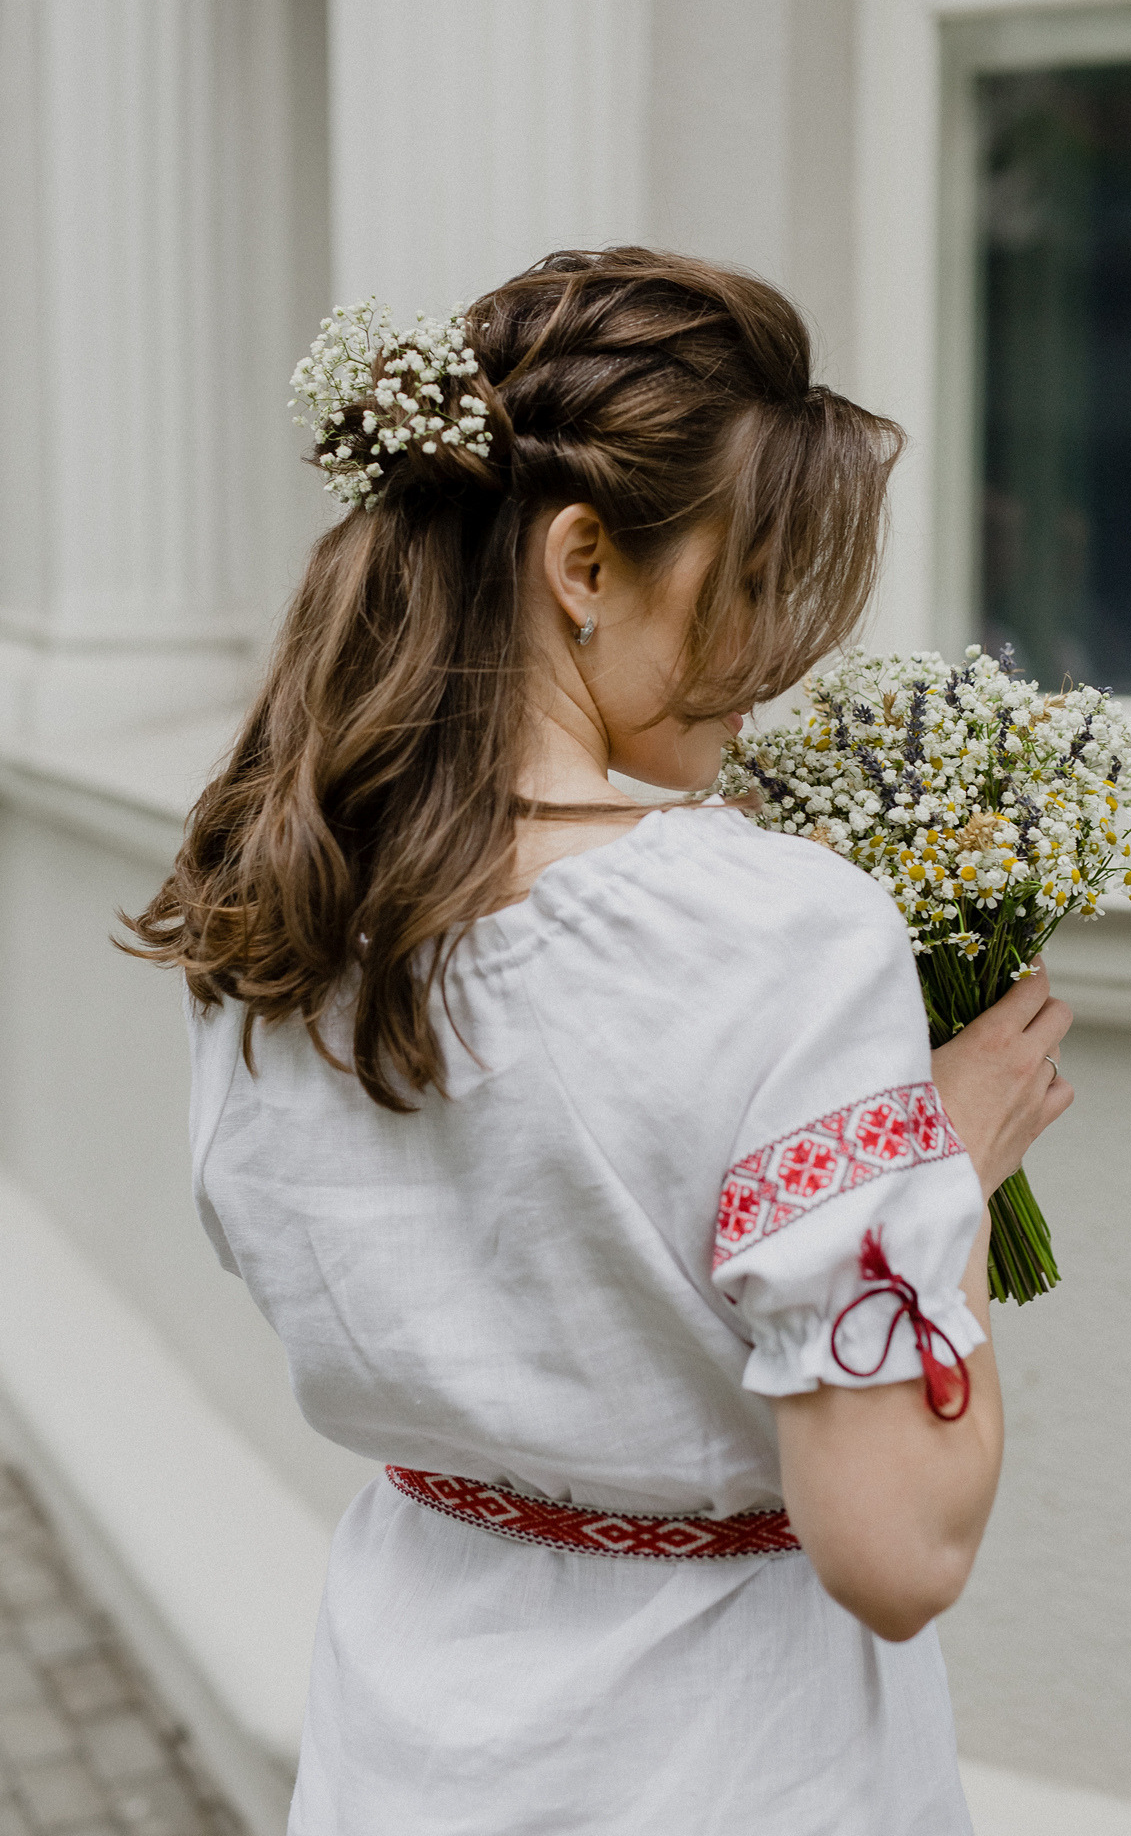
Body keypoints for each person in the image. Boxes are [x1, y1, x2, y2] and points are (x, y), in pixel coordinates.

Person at [124, 249, 1073, 1834]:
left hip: (404, 1736)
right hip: (724, 1761)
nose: (778, 656)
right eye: (754, 576)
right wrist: (944, 1167)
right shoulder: (770, 927)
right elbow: (898, 1551)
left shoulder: (262, 902)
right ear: (583, 561)